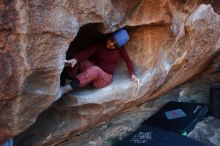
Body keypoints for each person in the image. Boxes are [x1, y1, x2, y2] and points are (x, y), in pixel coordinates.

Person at [59, 28, 139, 97]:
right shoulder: (100, 44)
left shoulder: (121, 49)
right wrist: (75, 59)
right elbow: (86, 52)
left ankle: (65, 90)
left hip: (105, 78)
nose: (111, 44)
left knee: (95, 70)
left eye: (115, 45)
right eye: (112, 40)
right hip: (93, 70)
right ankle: (68, 78)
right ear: (110, 35)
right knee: (80, 59)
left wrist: (132, 74)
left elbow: (127, 60)